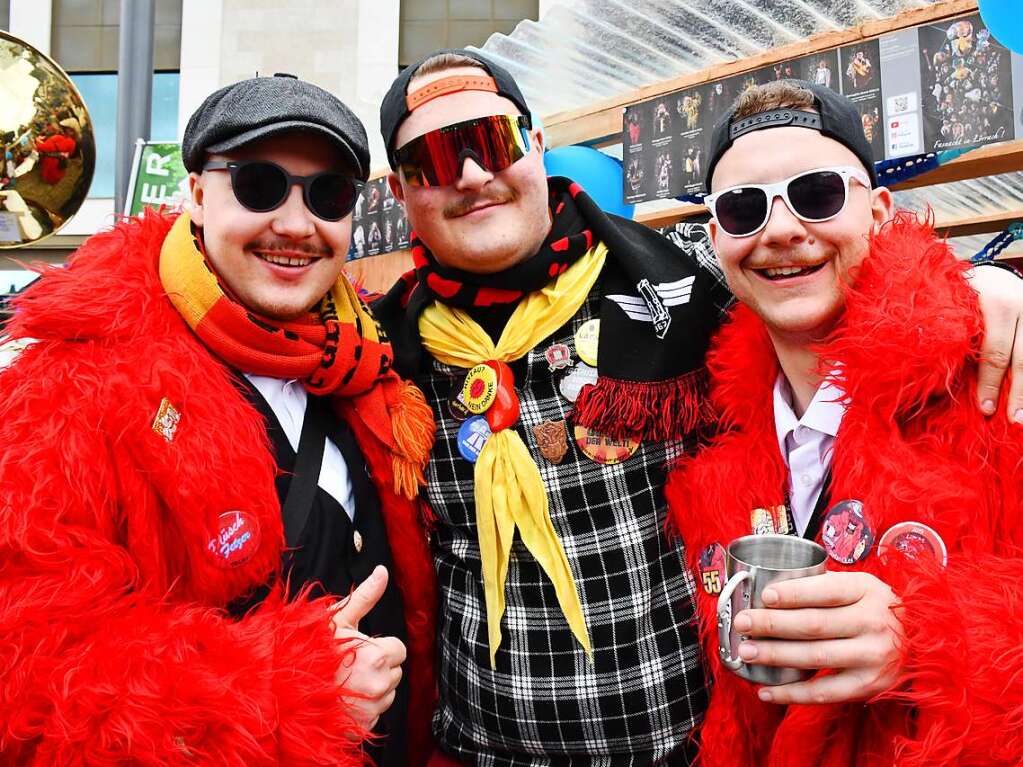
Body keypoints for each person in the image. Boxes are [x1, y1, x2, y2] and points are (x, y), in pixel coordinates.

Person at [373, 50, 1023, 765]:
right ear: (402, 194)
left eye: (490, 141)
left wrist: (973, 285)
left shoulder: (676, 289)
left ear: (534, 146)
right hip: (476, 751)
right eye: (430, 161)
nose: (469, 174)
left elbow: (837, 275)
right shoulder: (380, 352)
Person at [0, 73, 437, 765]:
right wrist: (287, 693)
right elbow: (30, 669)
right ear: (199, 195)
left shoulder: (368, 362)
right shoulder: (76, 381)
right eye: (259, 184)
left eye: (328, 194)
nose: (295, 224)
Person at [666, 79, 1023, 766]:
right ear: (716, 240)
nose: (778, 229)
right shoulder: (713, 442)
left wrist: (926, 642)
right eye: (742, 209)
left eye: (817, 193)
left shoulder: (995, 383)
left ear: (880, 211)